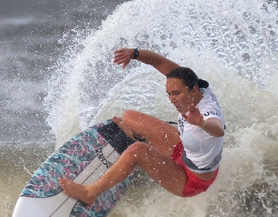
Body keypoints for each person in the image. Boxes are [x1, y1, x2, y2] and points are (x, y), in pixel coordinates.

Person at [60, 48, 226, 205]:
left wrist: (201, 123)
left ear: (193, 90)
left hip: (191, 179)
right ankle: (137, 149)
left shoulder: (207, 112)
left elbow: (218, 129)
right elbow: (159, 62)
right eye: (169, 94)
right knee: (130, 117)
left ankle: (90, 193)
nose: (172, 99)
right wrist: (134, 53)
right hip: (185, 150)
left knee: (138, 150)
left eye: (177, 94)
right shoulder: (198, 86)